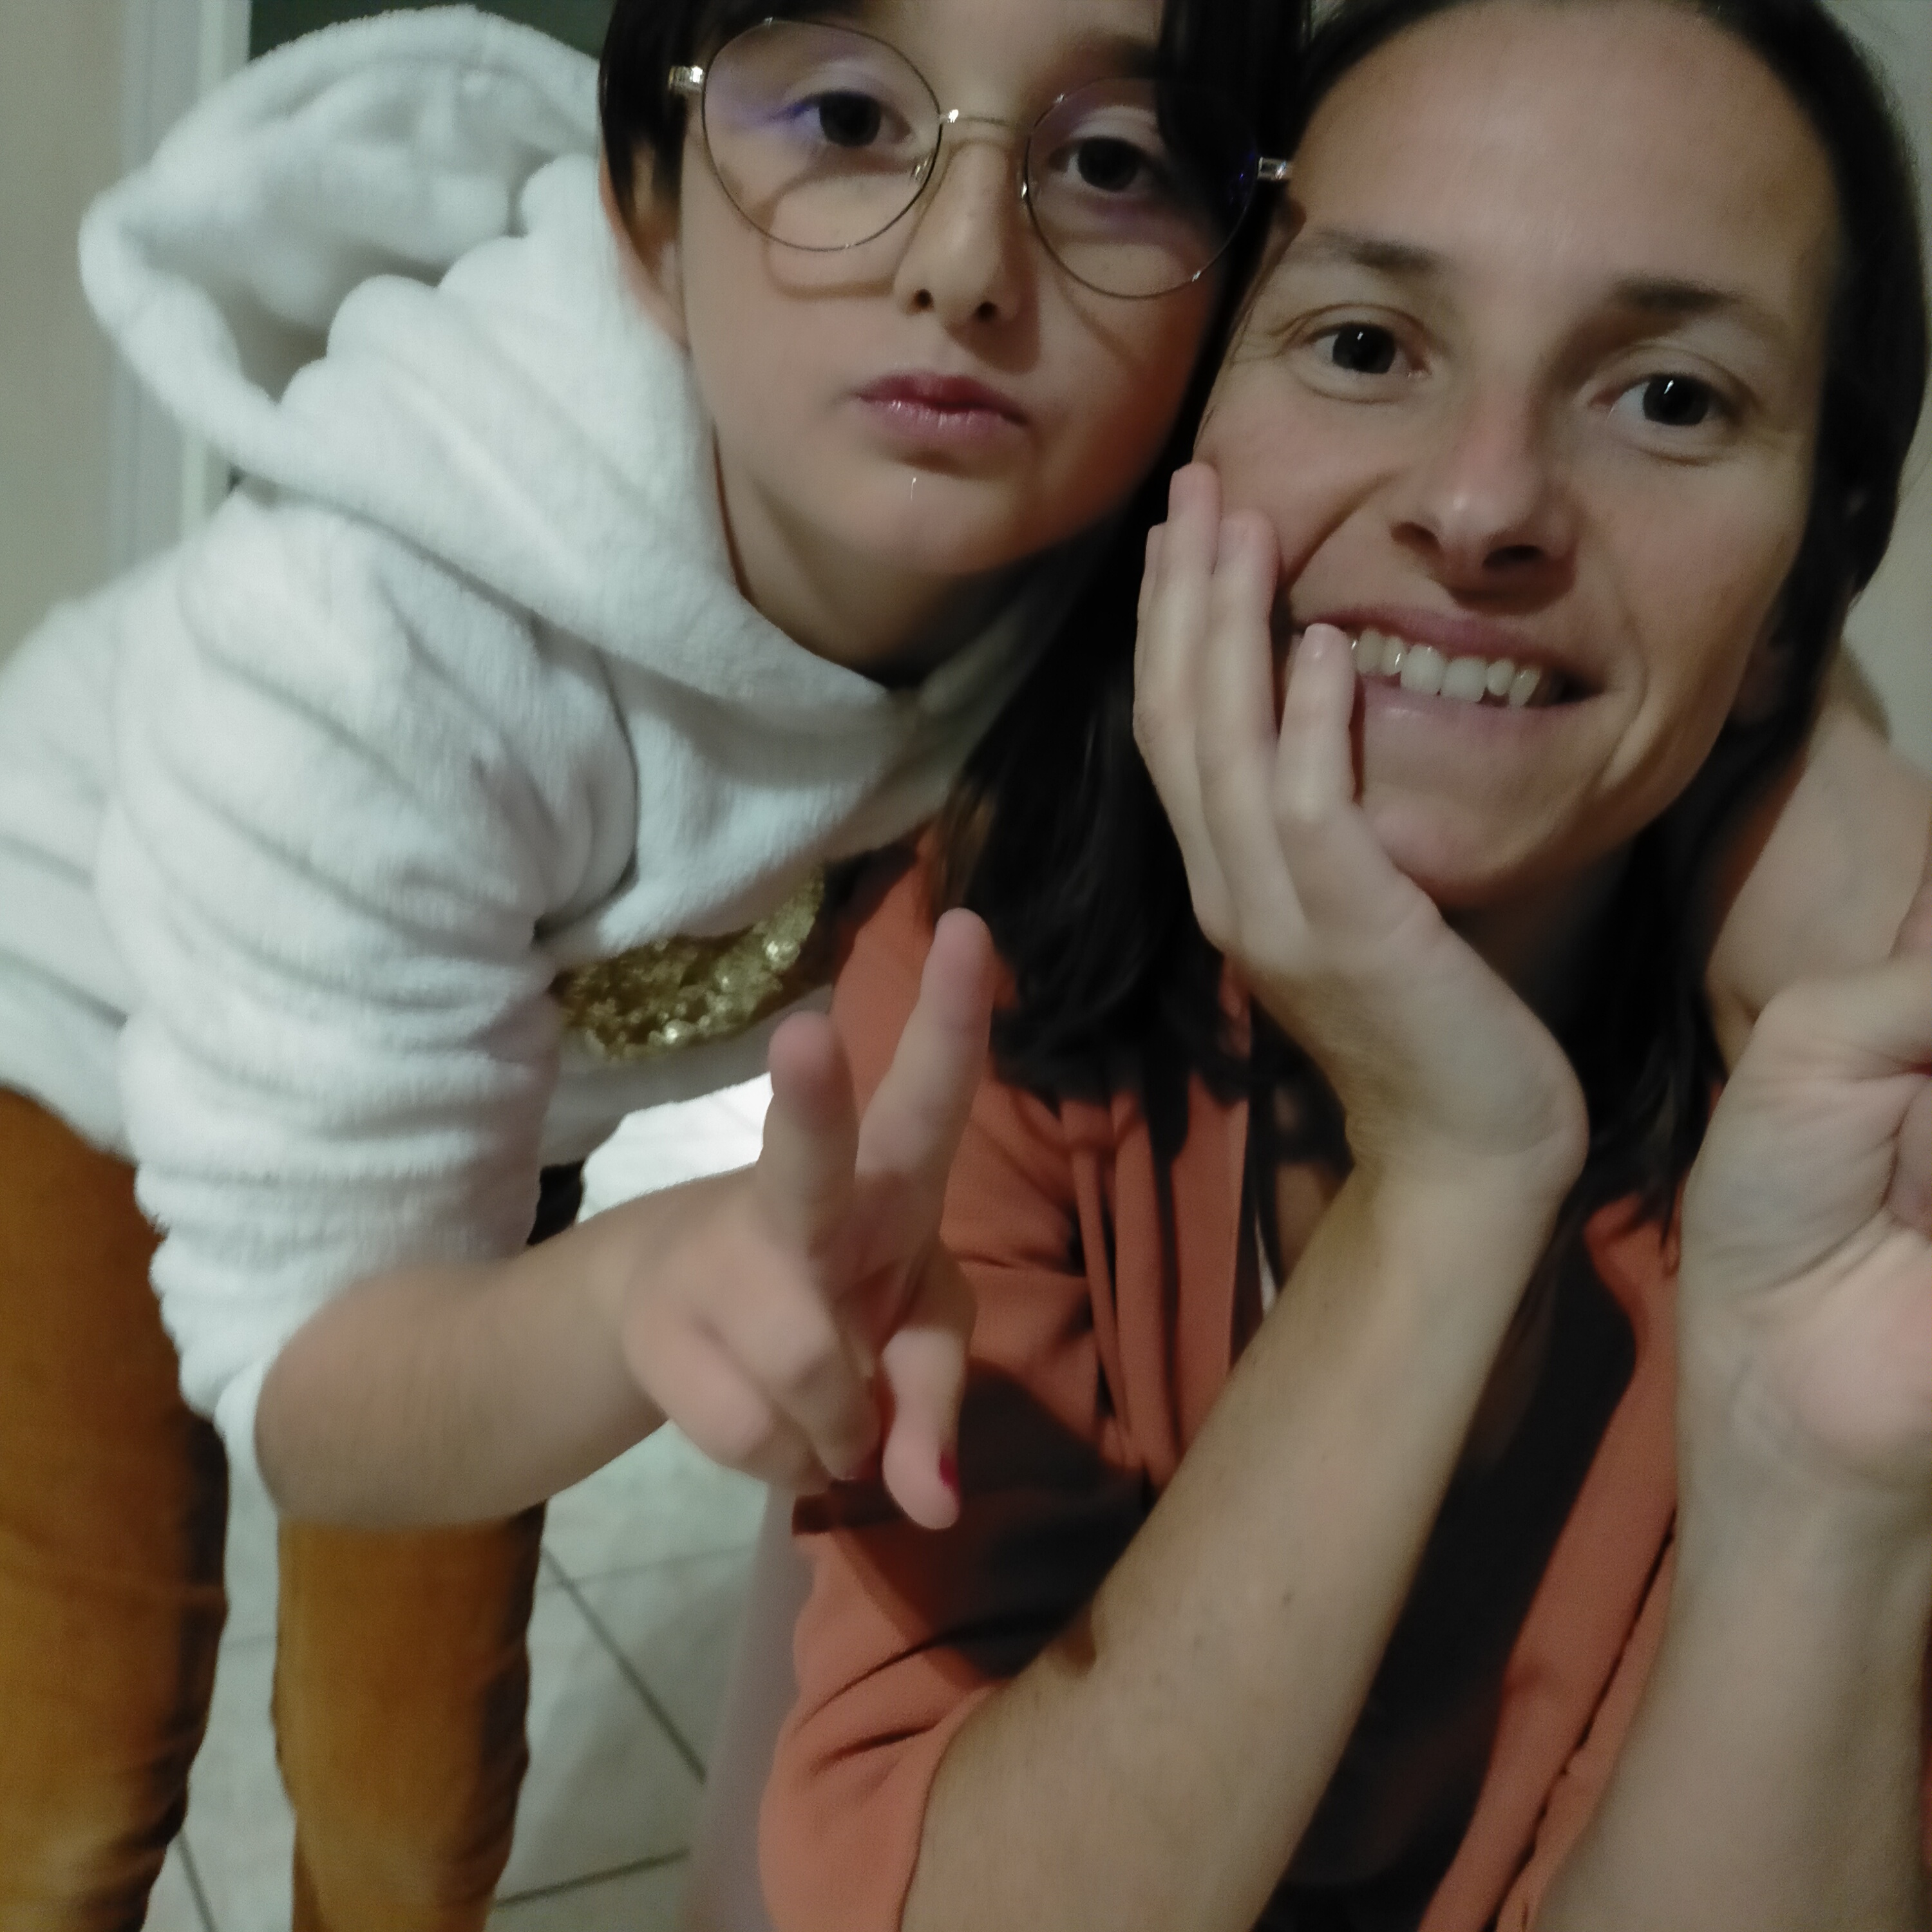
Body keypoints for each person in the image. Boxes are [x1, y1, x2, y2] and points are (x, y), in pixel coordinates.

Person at [0, 1, 1298, 1923]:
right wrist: (628, 1293)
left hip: (490, 1074)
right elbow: (315, 1376)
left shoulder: (1090, 590)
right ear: (646, 212)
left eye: (1111, 159)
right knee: (82, 1755)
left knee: (418, 1787)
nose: (966, 261)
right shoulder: (374, 635)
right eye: (846, 117)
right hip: (72, 1028)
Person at [753, 0, 1932, 1926]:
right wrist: (1451, 1175)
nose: (1482, 507)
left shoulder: (1846, 1161)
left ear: (1805, 597)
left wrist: (1819, 1487)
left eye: (1670, 399)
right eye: (1367, 346)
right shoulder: (980, 975)